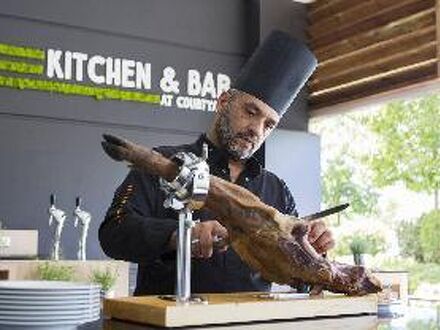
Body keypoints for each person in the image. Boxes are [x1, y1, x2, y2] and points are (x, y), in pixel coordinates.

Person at [99, 30, 335, 295]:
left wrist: (316, 250)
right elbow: (113, 233)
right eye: (250, 112)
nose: (256, 130)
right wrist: (181, 235)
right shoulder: (165, 163)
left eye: (268, 124)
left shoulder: (276, 189)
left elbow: (301, 278)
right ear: (223, 102)